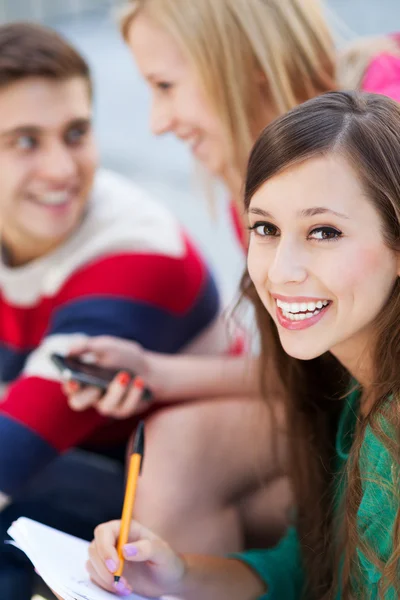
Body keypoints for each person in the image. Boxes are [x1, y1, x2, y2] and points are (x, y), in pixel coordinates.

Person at [65, 0, 400, 556]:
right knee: (176, 450)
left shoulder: (383, 124)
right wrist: (154, 373)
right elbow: (309, 360)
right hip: (340, 404)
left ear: (240, 59)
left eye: (166, 85)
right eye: (264, 230)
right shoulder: (258, 178)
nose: (157, 121)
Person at [0, 21, 225, 600]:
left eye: (75, 133)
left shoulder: (136, 250)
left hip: (150, 503)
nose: (61, 169)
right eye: (25, 141)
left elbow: (16, 446)